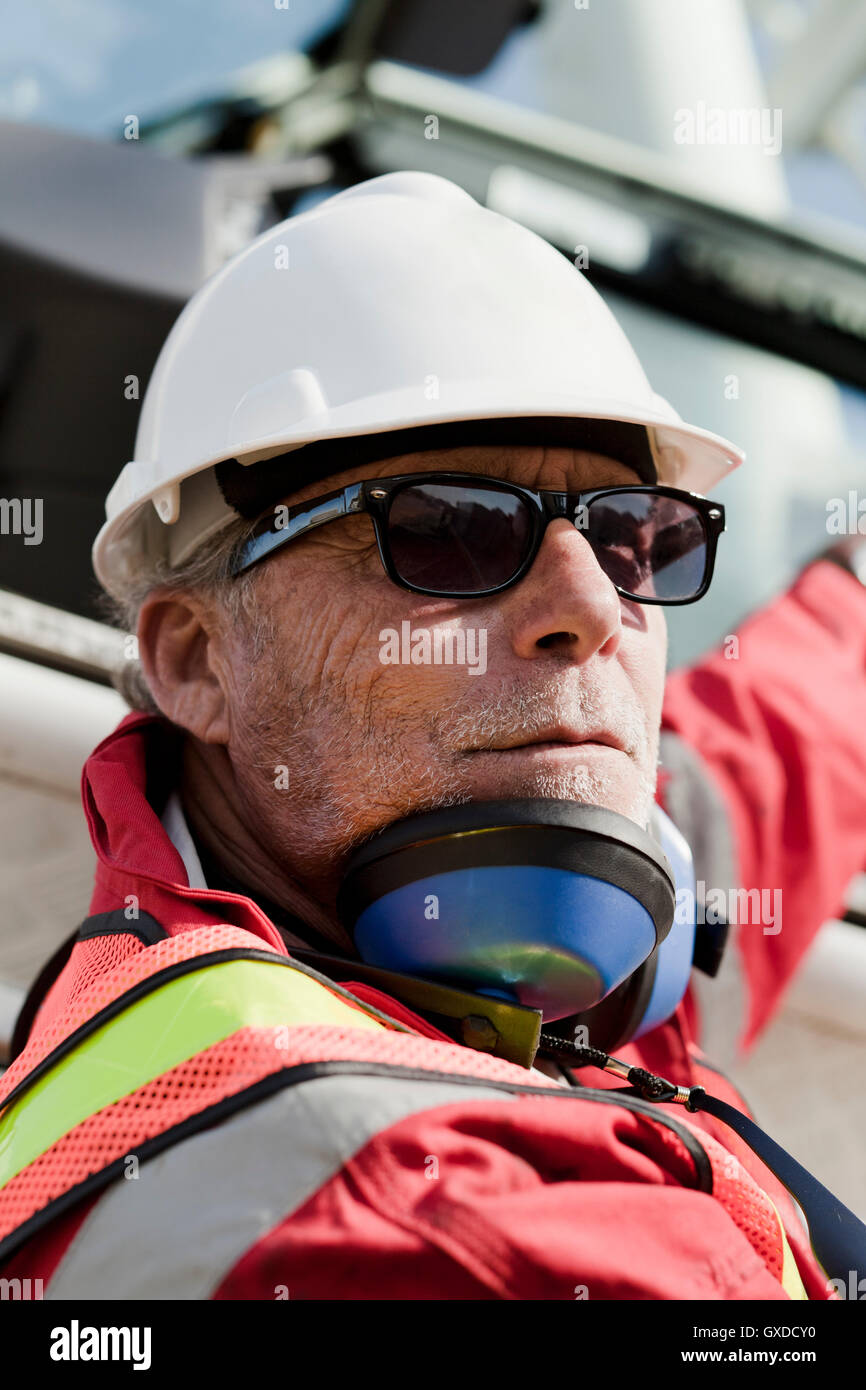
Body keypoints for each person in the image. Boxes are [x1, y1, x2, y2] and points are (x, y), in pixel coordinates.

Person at [1, 172, 865, 1301]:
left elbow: (758, 760)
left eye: (625, 540)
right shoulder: (416, 1217)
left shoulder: (513, 981)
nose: (595, 608)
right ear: (197, 660)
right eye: (450, 531)